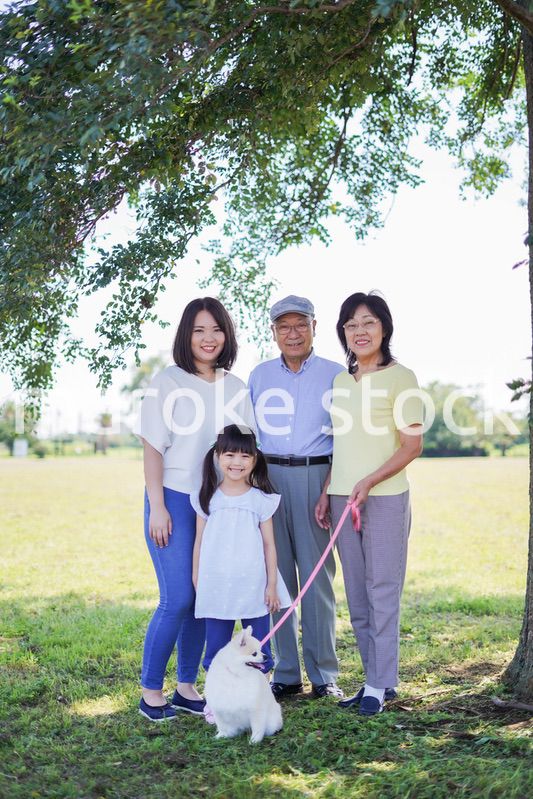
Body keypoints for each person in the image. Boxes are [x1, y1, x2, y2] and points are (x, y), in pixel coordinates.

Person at [135, 297, 255, 721]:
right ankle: (151, 692)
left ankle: (186, 688)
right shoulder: (168, 381)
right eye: (199, 330)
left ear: (227, 336)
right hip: (170, 499)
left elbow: (244, 453)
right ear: (187, 335)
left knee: (204, 598)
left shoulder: (237, 388)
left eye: (216, 330)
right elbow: (152, 447)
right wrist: (157, 507)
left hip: (218, 507)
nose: (209, 338)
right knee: (178, 597)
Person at [315, 291, 424, 717]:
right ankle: (373, 680)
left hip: (384, 498)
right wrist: (329, 487)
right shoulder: (342, 382)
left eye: (368, 322)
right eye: (351, 325)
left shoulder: (403, 378)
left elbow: (411, 445)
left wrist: (369, 481)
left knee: (382, 591)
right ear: (343, 333)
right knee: (357, 596)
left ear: (384, 327)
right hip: (343, 498)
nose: (359, 332)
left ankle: (382, 683)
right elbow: (343, 445)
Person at [248, 295, 345, 699]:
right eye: (283, 326)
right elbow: (248, 436)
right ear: (272, 332)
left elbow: (346, 439)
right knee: (276, 576)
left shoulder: (337, 375)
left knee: (317, 578)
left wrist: (326, 490)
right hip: (268, 477)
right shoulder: (258, 376)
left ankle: (324, 675)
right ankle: (285, 672)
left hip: (316, 475)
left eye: (300, 324)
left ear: (314, 327)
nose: (292, 333)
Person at [191, 424, 291, 673]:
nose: (237, 462)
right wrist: (197, 578)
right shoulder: (207, 496)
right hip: (216, 585)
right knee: (215, 649)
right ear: (217, 456)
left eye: (245, 455)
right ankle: (217, 701)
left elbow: (269, 545)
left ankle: (257, 697)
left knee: (259, 650)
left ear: (255, 459)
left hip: (253, 585)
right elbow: (199, 542)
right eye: (230, 455)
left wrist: (271, 585)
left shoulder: (260, 499)